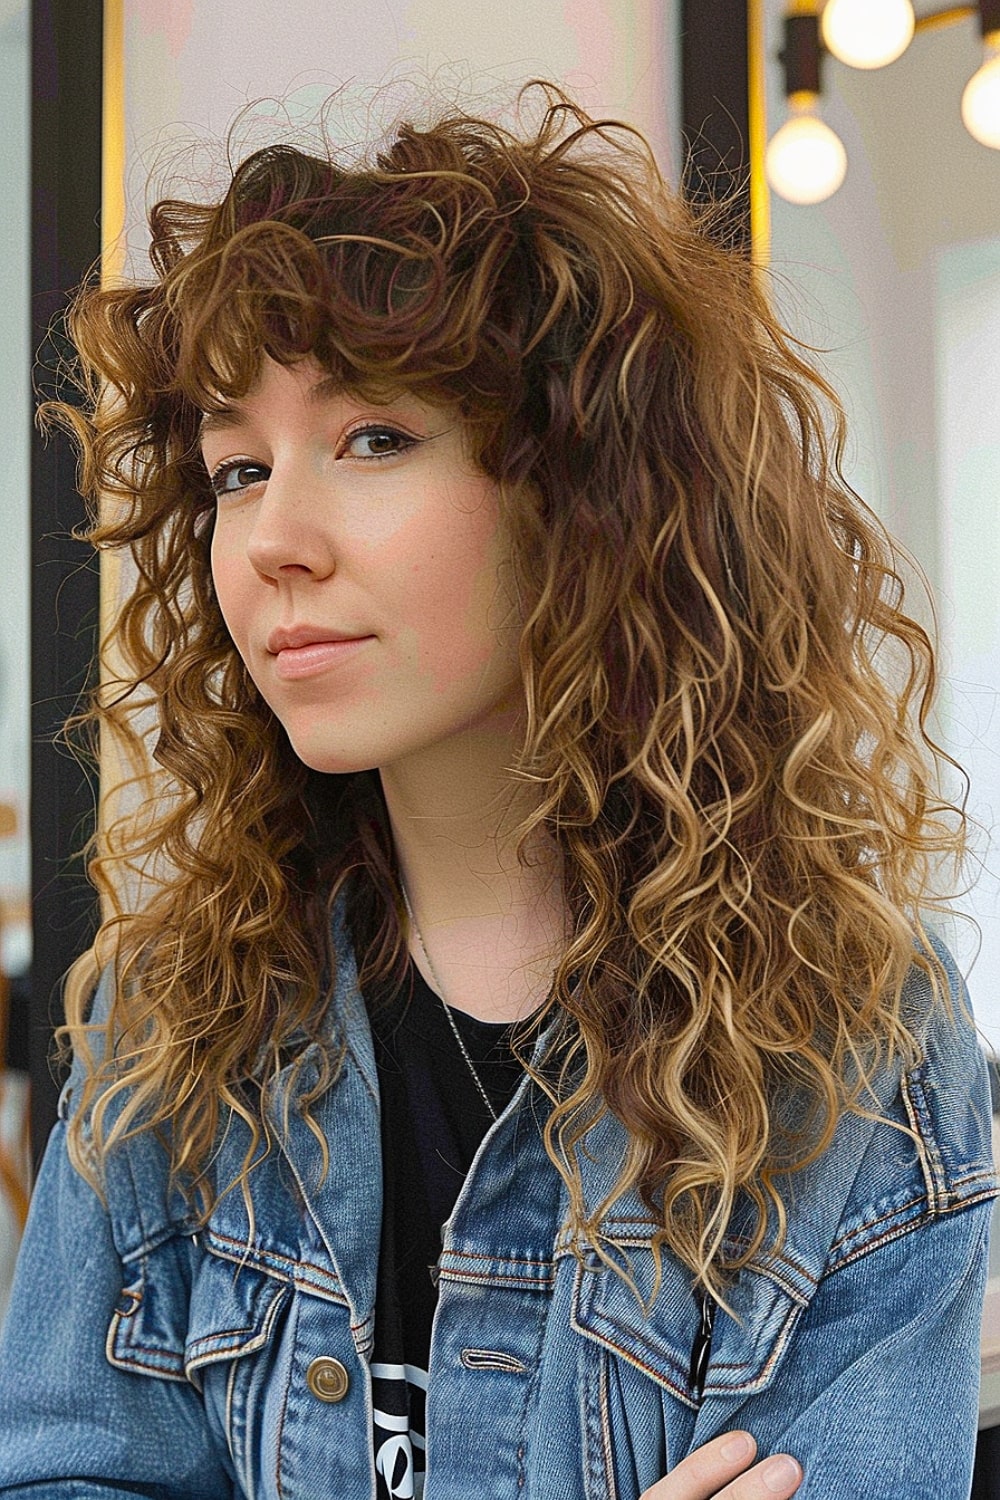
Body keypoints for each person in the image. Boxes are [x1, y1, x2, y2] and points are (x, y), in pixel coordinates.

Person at [0, 79, 995, 1500]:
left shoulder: (856, 1058)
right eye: (233, 467)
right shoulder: (165, 1030)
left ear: (586, 494)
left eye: (375, 440)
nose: (271, 537)